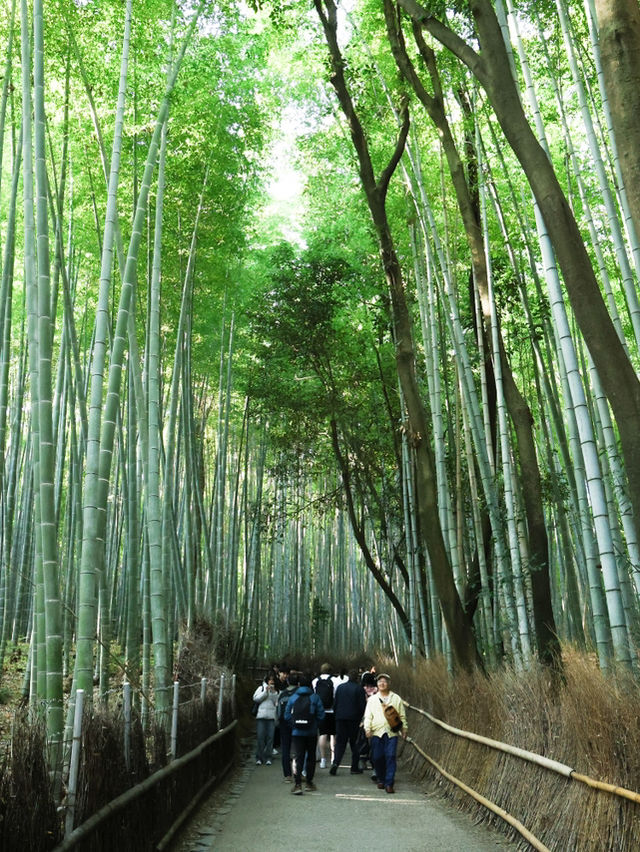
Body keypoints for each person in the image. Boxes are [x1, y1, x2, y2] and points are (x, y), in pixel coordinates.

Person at [363, 673, 407, 794]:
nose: (382, 683)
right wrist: (367, 729)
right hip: (377, 733)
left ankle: (389, 783)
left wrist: (404, 729)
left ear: (389, 684)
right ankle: (381, 778)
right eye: (380, 681)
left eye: (385, 681)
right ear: (377, 684)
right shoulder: (372, 699)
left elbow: (402, 715)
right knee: (377, 757)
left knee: (391, 756)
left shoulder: (396, 698)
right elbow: (368, 716)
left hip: (392, 732)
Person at [284, 672, 325, 795]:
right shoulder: (315, 697)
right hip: (311, 732)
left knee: (298, 756)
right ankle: (309, 783)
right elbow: (321, 715)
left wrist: (294, 725)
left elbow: (286, 715)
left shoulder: (293, 697)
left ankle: (297, 784)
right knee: (311, 757)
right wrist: (314, 725)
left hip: (297, 732)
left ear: (298, 684)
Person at [329, 669, 367, 776]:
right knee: (354, 743)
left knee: (340, 742)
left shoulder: (340, 688)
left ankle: (336, 763)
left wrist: (337, 716)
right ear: (357, 678)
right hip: (354, 719)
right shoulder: (359, 689)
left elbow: (335, 703)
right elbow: (362, 706)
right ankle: (354, 767)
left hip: (340, 718)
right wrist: (362, 719)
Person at [277, 670, 299, 782]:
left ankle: (287, 775)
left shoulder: (283, 693)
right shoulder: (299, 694)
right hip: (297, 723)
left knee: (285, 748)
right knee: (297, 748)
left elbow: (278, 711)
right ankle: (297, 772)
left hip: (284, 723)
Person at [252, 674, 279, 765]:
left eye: (273, 680)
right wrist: (265, 692)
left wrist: (272, 692)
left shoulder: (276, 691)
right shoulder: (261, 688)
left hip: (271, 716)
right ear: (267, 681)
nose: (271, 682)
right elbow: (256, 699)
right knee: (260, 737)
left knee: (270, 738)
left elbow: (276, 702)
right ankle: (259, 757)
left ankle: (268, 757)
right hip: (261, 716)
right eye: (270, 680)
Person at [313, 662, 335, 768]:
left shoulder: (315, 681)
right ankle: (333, 758)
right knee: (333, 735)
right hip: (331, 711)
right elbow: (336, 695)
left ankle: (322, 759)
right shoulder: (334, 680)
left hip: (320, 711)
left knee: (322, 734)